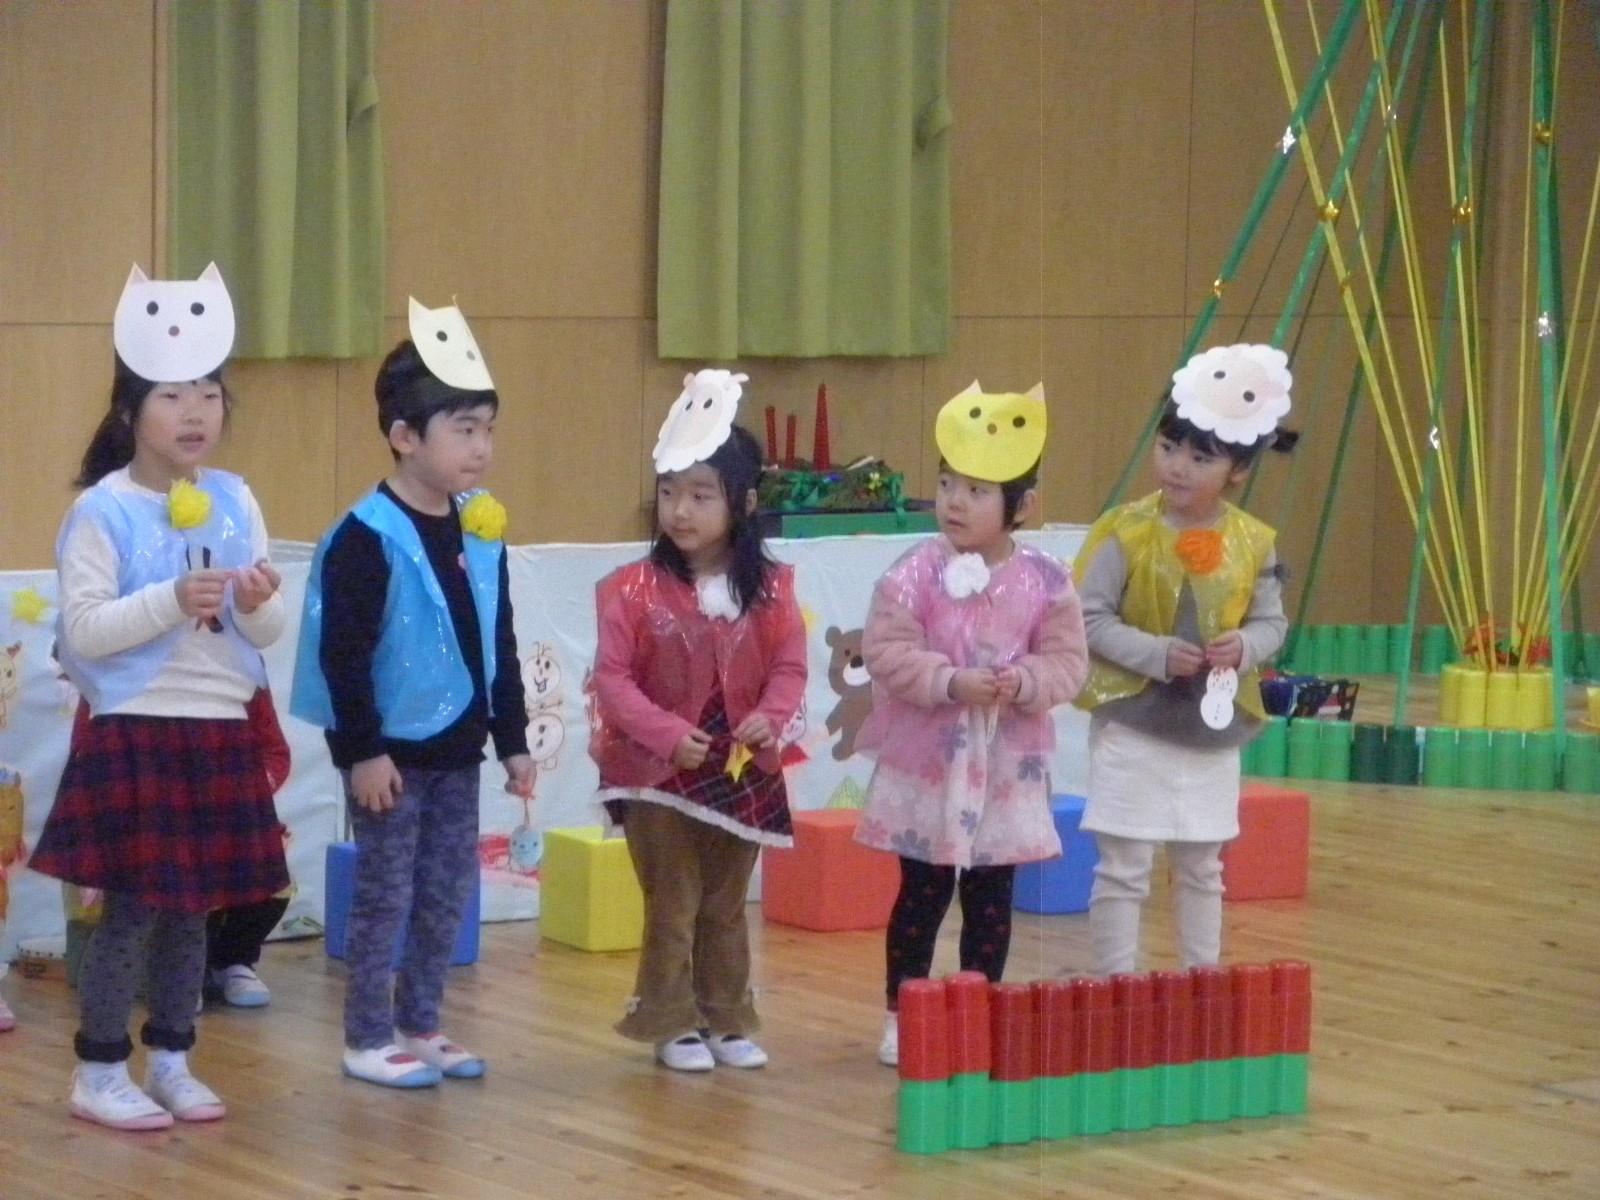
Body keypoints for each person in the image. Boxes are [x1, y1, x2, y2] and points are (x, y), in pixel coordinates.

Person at [31, 264, 289, 1130]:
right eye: (173, 396)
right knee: (133, 912)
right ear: (130, 411)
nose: (195, 413)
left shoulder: (236, 498)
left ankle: (173, 1059)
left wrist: (259, 603)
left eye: (209, 395)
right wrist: (172, 599)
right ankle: (101, 1069)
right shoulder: (102, 511)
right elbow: (84, 632)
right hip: (136, 731)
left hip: (217, 728)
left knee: (194, 914)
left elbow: (265, 630)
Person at [291, 298, 532, 1088]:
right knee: (385, 895)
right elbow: (343, 657)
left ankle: (421, 1022)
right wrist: (361, 753)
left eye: (488, 429)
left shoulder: (480, 530)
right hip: (390, 757)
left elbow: (496, 638)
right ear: (404, 436)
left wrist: (513, 740)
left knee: (445, 893)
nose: (481, 447)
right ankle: (367, 1036)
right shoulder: (365, 536)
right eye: (463, 430)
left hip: (458, 750)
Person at [854, 382, 1089, 1067]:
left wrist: (1025, 682)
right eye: (948, 483)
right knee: (921, 894)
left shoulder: (1046, 579)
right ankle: (904, 1013)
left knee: (991, 897)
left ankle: (976, 1013)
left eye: (977, 491)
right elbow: (886, 651)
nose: (955, 501)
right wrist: (949, 681)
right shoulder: (913, 573)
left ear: (1023, 506)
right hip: (929, 763)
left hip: (1006, 769)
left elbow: (1068, 662)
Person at [590, 369, 806, 1072]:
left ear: (743, 502)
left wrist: (770, 717)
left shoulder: (772, 589)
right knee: (673, 899)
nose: (680, 510)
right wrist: (664, 735)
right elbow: (613, 681)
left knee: (724, 901)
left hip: (739, 771)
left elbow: (789, 669)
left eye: (700, 495)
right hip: (658, 773)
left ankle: (726, 1016)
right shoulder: (628, 590)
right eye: (668, 492)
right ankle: (669, 1020)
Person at [1073, 343, 1295, 979]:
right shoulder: (1125, 529)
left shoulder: (1253, 541)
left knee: (1202, 867)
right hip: (1132, 723)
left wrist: (1245, 646)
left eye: (1201, 457)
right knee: (1124, 867)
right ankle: (1115, 986)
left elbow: (1272, 622)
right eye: (1170, 447)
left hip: (1212, 733)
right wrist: (1155, 654)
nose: (1177, 466)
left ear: (1238, 470)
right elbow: (1087, 617)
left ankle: (1204, 983)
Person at [204, 687, 293, 1008]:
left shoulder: (248, 674)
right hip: (175, 809)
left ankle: (233, 960)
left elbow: (274, 750)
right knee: (188, 892)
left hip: (238, 807)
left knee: (272, 880)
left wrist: (250, 788)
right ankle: (183, 970)